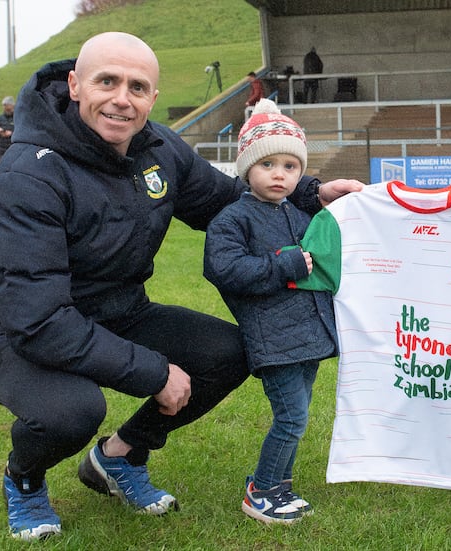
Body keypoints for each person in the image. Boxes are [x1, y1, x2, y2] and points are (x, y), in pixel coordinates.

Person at [0, 31, 362, 542]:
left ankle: (118, 458)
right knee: (74, 410)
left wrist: (312, 192)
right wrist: (153, 371)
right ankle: (25, 479)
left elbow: (230, 202)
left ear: (152, 96)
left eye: (138, 87)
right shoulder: (27, 176)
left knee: (227, 353)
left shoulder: (159, 148)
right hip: (15, 331)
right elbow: (38, 320)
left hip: (120, 311)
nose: (122, 99)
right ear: (76, 85)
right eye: (108, 81)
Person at [203, 99, 337, 525]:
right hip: (273, 339)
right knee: (292, 418)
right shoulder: (231, 220)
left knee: (299, 414)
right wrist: (285, 266)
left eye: (290, 166)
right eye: (268, 165)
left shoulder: (301, 213)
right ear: (247, 169)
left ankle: (280, 485)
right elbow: (224, 269)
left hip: (310, 336)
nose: (280, 174)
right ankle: (261, 491)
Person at [0, 95, 15, 161]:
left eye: (8, 107)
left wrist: (12, 133)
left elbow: (22, 131)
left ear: (12, 106)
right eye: (4, 106)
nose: (6, 109)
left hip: (13, 147)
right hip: (1, 148)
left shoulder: (17, 118)